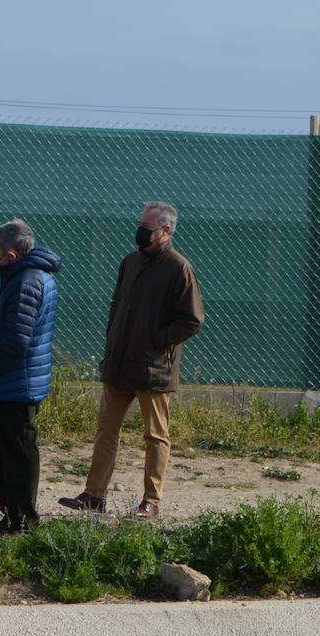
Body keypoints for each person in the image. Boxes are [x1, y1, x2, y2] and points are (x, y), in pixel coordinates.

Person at [60, 202, 204, 520]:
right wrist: (114, 343)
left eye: (147, 226)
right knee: (106, 430)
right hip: (119, 365)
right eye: (140, 224)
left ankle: (152, 500)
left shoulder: (179, 268)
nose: (140, 231)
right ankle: (94, 495)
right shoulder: (131, 262)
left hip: (154, 369)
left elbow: (192, 320)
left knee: (155, 435)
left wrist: (155, 341)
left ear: (165, 231)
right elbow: (117, 306)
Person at [0, 218, 61, 535]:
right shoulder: (26, 277)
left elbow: (16, 342)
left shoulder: (26, 283)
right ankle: (12, 517)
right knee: (6, 452)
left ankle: (21, 521)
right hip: (12, 384)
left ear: (10, 255)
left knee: (16, 456)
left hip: (16, 384)